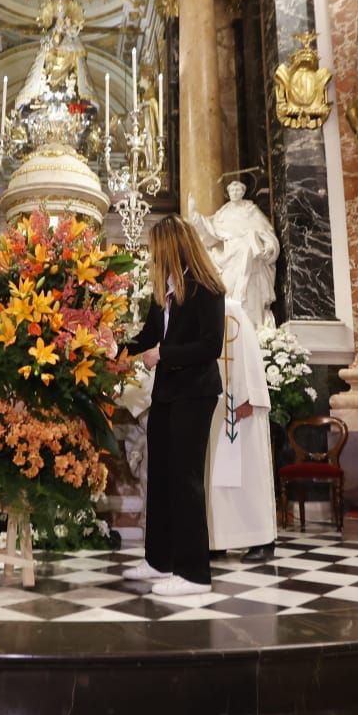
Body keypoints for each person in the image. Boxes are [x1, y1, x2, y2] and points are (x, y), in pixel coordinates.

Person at [123, 215, 226, 597]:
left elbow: (210, 345)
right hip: (167, 393)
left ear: (171, 246)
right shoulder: (164, 290)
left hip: (195, 393)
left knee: (186, 482)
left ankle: (194, 574)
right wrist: (115, 349)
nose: (152, 256)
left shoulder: (207, 288)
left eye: (156, 248)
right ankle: (159, 561)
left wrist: (163, 354)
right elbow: (148, 336)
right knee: (162, 479)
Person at [206, 297, 277, 563]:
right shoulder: (202, 310)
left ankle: (261, 539)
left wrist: (251, 396)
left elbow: (248, 354)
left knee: (248, 475)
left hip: (240, 405)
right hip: (214, 406)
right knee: (217, 478)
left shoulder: (231, 309)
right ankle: (219, 540)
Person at [188, 181, 280, 327]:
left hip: (250, 260)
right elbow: (209, 233)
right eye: (232, 190)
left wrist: (269, 244)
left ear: (243, 192)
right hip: (229, 258)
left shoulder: (251, 211)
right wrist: (194, 215)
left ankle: (254, 332)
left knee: (248, 299)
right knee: (228, 296)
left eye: (238, 189)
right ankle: (231, 332)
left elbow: (266, 231)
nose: (235, 192)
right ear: (229, 193)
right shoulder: (223, 214)